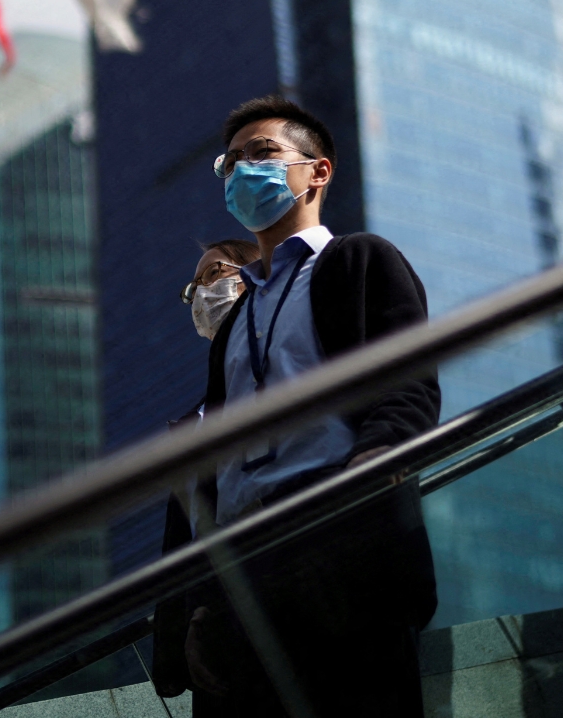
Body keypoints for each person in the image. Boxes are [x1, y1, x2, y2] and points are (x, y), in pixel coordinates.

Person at [164, 96, 440, 718]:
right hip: (242, 572)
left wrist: (371, 474)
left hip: (337, 533)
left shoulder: (357, 260)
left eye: (262, 154)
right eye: (230, 164)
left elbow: (408, 384)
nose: (242, 172)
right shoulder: (234, 324)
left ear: (319, 171)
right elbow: (218, 467)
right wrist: (204, 602)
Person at [151, 236, 264, 700]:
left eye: (213, 274)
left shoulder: (282, 369)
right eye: (194, 285)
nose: (201, 292)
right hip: (210, 628)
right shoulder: (192, 425)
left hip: (277, 591)